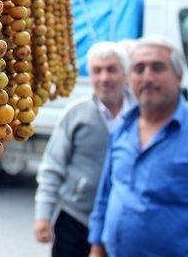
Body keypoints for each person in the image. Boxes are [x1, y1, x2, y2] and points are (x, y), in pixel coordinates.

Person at [88, 36, 188, 257]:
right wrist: (97, 248)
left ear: (179, 77)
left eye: (157, 67)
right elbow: (106, 195)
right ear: (129, 79)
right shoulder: (122, 129)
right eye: (139, 69)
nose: (147, 77)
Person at [33, 42, 134, 257]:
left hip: (125, 223)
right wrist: (43, 216)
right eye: (97, 70)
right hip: (76, 219)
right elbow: (52, 166)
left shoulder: (141, 116)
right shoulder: (76, 114)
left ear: (125, 74)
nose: (104, 78)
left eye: (111, 70)